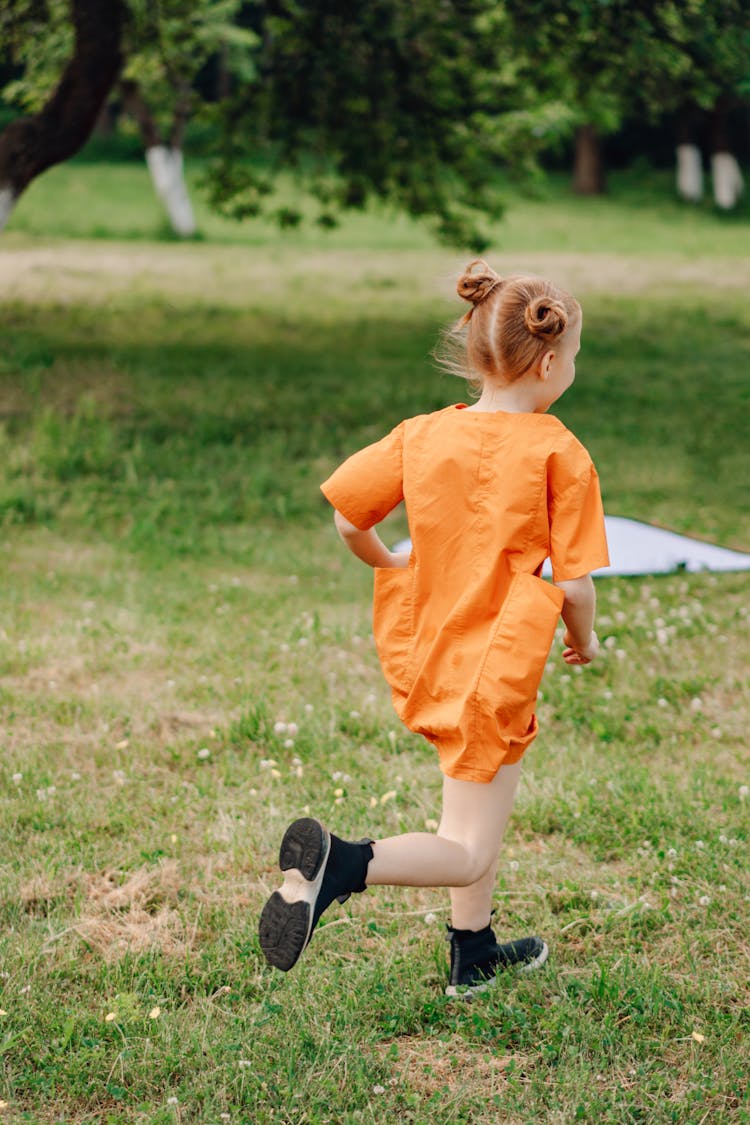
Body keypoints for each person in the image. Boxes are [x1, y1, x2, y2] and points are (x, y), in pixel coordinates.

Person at [259, 261, 609, 997]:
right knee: (470, 848)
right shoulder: (560, 451)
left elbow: (348, 515)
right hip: (498, 662)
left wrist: (389, 558)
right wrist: (588, 638)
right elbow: (575, 584)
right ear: (549, 361)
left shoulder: (422, 435)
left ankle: (472, 951)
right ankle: (342, 864)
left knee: (472, 799)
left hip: (429, 647)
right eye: (574, 356)